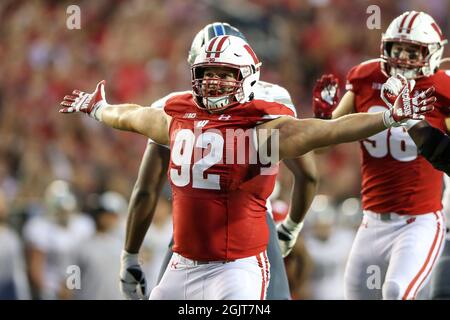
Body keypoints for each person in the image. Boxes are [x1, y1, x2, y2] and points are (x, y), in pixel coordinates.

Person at [59, 35, 433, 299]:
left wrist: (386, 118)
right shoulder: (179, 115)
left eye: (225, 74)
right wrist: (99, 109)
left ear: (248, 77)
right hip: (182, 264)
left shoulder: (261, 128)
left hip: (236, 268)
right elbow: (135, 116)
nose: (213, 81)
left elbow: (330, 131)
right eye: (207, 72)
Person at [118, 22, 318, 300]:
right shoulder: (272, 99)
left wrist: (129, 256)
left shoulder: (175, 108)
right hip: (253, 232)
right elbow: (308, 175)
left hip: (193, 233)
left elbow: (145, 190)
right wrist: (292, 227)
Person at [312, 11, 448, 300]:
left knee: (396, 292)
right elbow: (325, 143)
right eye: (397, 48)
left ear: (432, 54)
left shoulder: (441, 88)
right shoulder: (367, 77)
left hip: (419, 222)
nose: (402, 57)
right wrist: (322, 119)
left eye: (413, 51)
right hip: (371, 221)